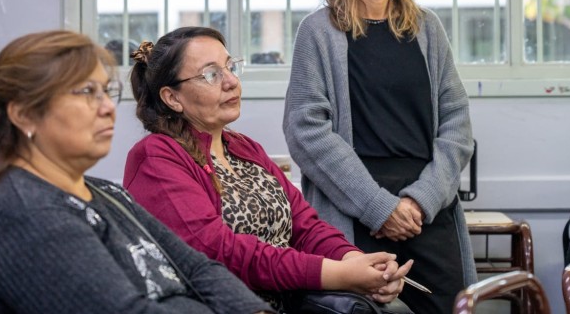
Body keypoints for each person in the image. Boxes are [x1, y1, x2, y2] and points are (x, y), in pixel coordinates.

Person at [0, 30, 273, 314]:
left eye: (106, 91)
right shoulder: (20, 210)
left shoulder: (105, 192)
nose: (106, 108)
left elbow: (196, 267)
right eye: (87, 92)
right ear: (24, 115)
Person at [124, 26, 411, 311]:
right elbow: (217, 252)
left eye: (230, 67)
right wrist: (337, 274)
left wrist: (356, 261)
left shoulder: (244, 147)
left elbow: (306, 227)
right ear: (172, 98)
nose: (231, 82)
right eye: (211, 75)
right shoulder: (156, 157)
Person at [282, 0, 476, 314]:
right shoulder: (318, 32)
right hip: (353, 205)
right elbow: (306, 130)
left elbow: (457, 125)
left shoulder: (426, 27)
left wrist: (419, 201)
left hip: (427, 208)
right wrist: (379, 207)